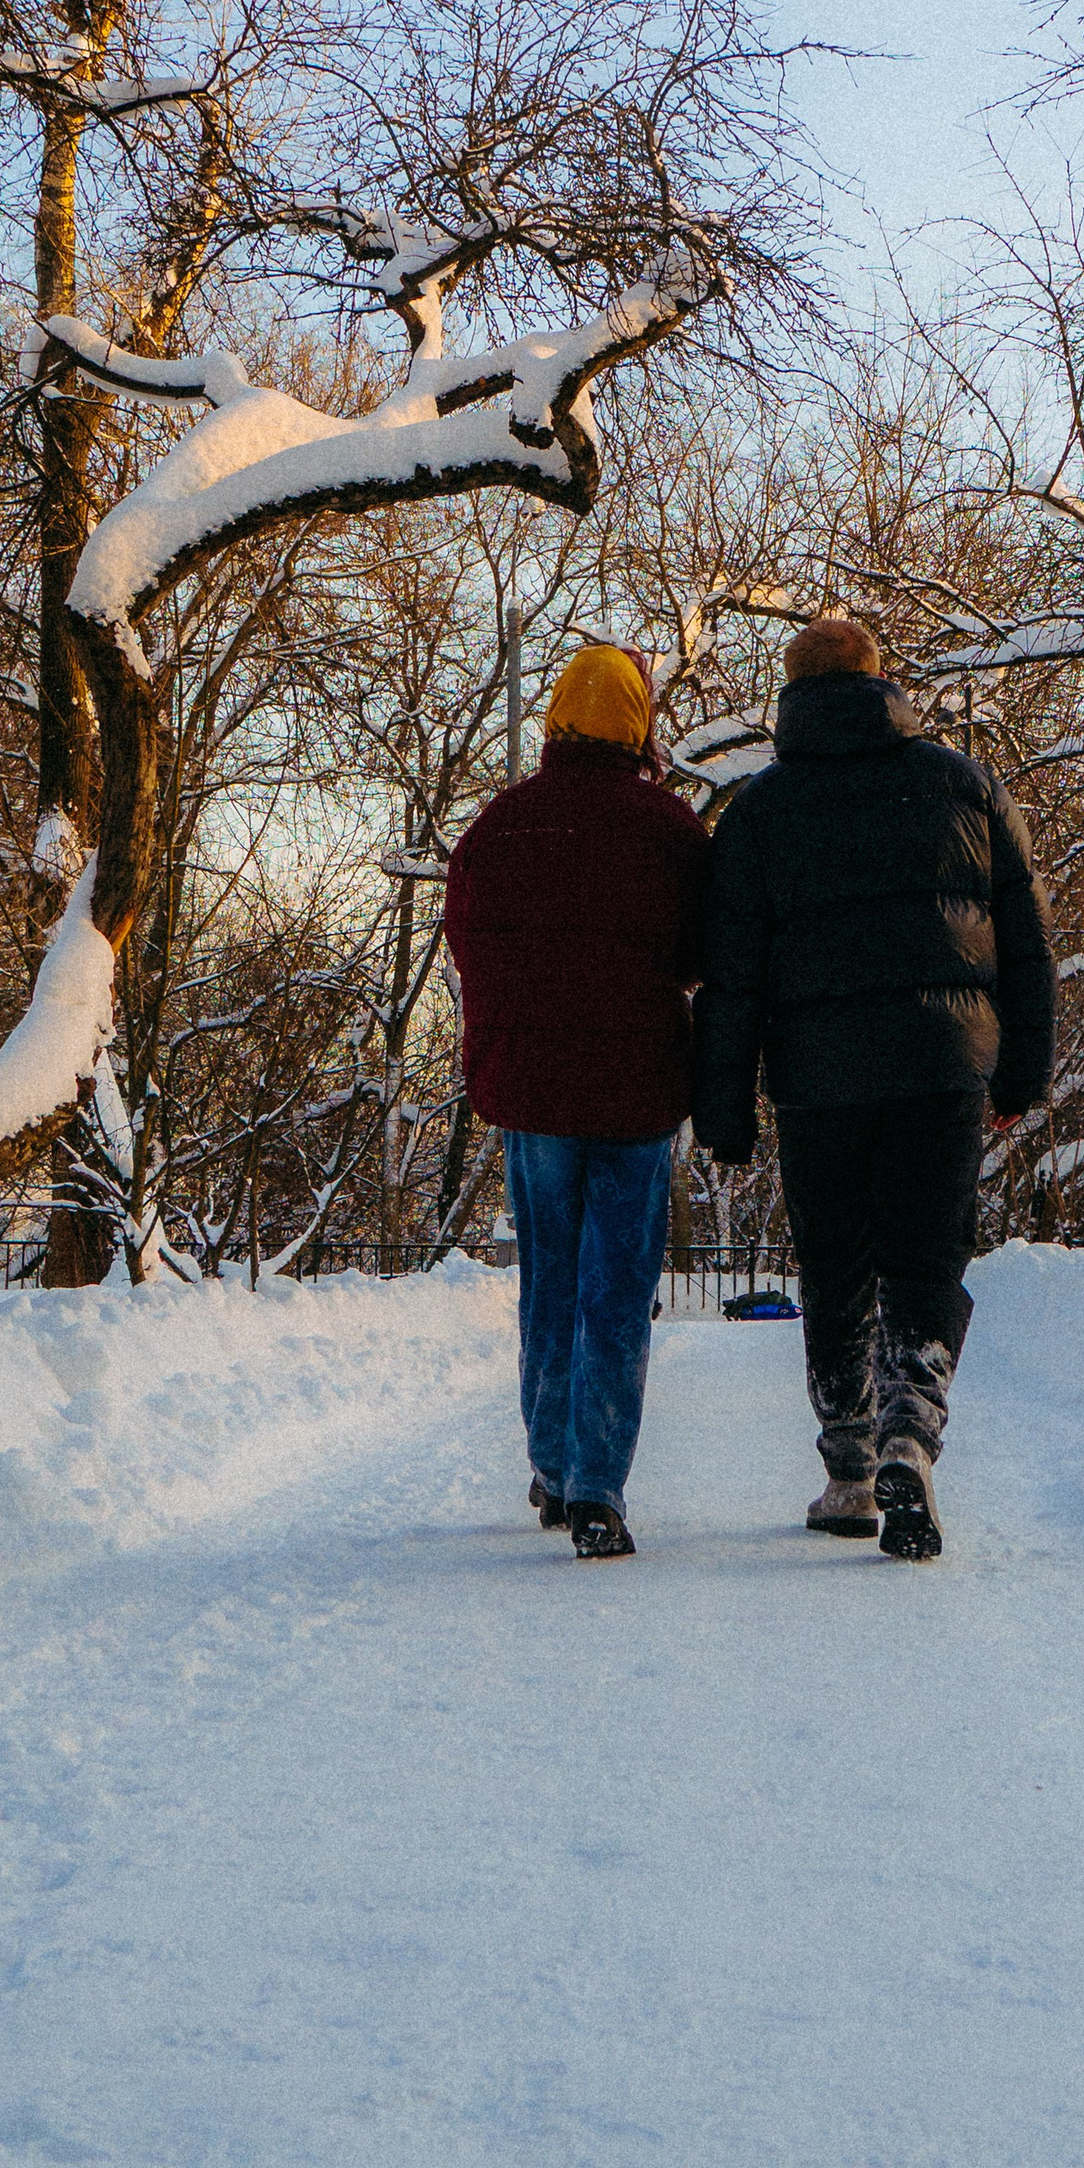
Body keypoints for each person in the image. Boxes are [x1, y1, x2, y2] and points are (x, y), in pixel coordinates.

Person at [692, 617, 1054, 1562]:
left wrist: (723, 1109)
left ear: (792, 693)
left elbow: (731, 978)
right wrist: (1022, 1069)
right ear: (880, 683)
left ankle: (850, 1467)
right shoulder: (964, 784)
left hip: (817, 1078)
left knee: (837, 1265)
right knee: (926, 1257)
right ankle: (911, 1430)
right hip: (943, 1066)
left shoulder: (759, 812)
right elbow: (1026, 942)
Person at [443, 644, 709, 1560]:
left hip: (535, 1093)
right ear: (637, 724)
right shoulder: (668, 829)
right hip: (635, 1094)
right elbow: (696, 958)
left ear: (555, 718)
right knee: (618, 1290)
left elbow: (468, 944)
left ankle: (552, 1467)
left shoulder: (500, 826)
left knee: (547, 1278)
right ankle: (599, 1488)